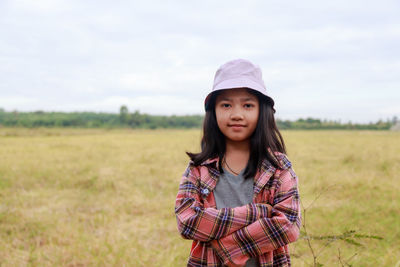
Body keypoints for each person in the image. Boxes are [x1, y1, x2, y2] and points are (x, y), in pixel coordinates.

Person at [174, 59, 301, 267]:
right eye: (226, 105)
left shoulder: (279, 168)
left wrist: (232, 248)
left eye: (248, 105)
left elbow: (288, 224)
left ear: (262, 111)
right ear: (213, 111)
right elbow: (187, 221)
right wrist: (258, 212)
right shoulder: (198, 169)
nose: (236, 115)